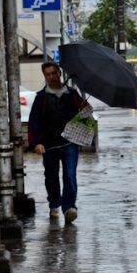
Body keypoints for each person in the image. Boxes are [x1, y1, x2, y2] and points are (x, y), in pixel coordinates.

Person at [28, 62, 83, 223]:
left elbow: (84, 116)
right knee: (51, 177)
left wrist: (85, 108)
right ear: (45, 76)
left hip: (69, 143)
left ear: (59, 73)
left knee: (69, 175)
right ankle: (54, 204)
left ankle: (69, 207)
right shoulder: (41, 98)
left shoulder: (72, 94)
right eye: (48, 74)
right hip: (49, 145)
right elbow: (34, 122)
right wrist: (36, 142)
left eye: (54, 73)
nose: (51, 77)